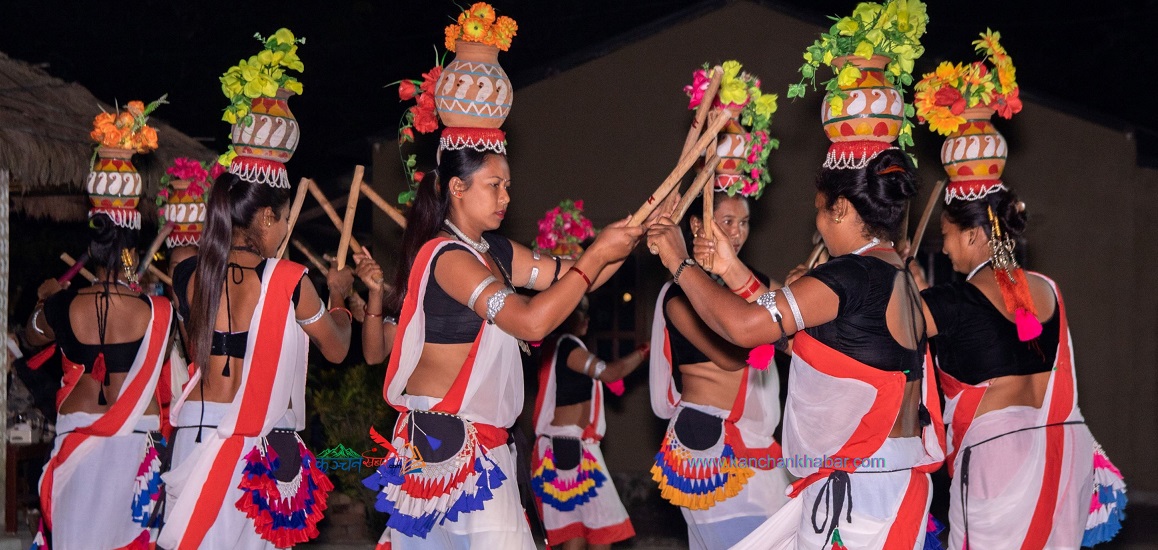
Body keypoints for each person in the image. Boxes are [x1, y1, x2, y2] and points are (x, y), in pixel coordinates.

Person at [648, 148, 945, 550]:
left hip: (857, 495)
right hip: (884, 485)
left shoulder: (850, 274)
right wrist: (730, 268)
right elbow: (802, 341)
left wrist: (679, 261)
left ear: (840, 209)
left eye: (820, 211)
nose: (819, 225)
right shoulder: (895, 275)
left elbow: (745, 327)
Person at [363, 141, 643, 549]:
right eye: (495, 185)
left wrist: (633, 237)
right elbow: (530, 323)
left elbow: (576, 277)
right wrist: (598, 252)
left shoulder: (496, 251)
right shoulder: (448, 258)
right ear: (457, 187)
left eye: (507, 185)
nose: (506, 197)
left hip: (475, 446)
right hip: (450, 448)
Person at [158, 173, 354, 549]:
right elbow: (337, 348)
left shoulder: (187, 274)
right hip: (255, 445)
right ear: (266, 217)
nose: (283, 231)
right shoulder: (289, 280)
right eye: (283, 221)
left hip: (195, 435)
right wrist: (339, 298)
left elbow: (194, 345)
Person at [918, 187, 1109, 549]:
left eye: (945, 236)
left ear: (972, 234)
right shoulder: (1046, 289)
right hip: (1061, 453)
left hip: (997, 461)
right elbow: (993, 332)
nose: (943, 248)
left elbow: (880, 328)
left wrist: (779, 295)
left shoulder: (951, 302)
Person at [647, 191, 791, 549]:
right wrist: (768, 333)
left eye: (743, 223)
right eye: (727, 221)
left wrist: (800, 293)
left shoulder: (753, 281)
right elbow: (727, 355)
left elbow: (799, 325)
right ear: (696, 224)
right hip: (707, 441)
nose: (737, 233)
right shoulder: (679, 293)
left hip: (757, 445)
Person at [26, 214, 173, 549]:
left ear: (92, 251)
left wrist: (45, 301)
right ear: (132, 257)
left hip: (79, 434)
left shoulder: (62, 305)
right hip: (136, 440)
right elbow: (160, 362)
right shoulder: (159, 311)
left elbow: (32, 335)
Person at [530, 297, 645, 549]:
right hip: (569, 450)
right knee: (602, 528)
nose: (587, 318)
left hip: (566, 449)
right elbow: (612, 372)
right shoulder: (568, 346)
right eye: (581, 312)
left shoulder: (560, 347)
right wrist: (646, 349)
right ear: (567, 316)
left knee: (579, 532)